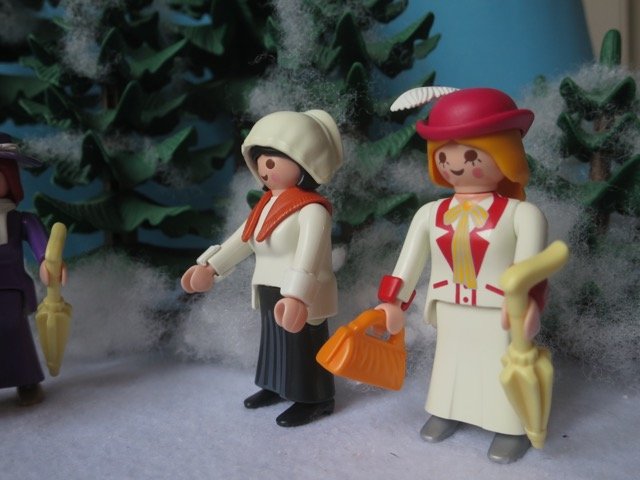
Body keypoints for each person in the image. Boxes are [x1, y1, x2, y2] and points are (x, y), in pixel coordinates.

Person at [376, 88, 548, 463]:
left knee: (500, 365)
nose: (455, 166)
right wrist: (392, 302)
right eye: (444, 156)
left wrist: (531, 303)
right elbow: (408, 263)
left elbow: (530, 268)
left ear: (506, 154)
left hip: (500, 309)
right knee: (449, 362)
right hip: (449, 304)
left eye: (471, 156)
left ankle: (510, 426)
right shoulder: (429, 213)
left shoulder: (522, 215)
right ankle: (447, 410)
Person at [181, 110, 343, 427]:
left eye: (274, 161)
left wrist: (298, 295)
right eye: (261, 161)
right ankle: (275, 385)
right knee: (273, 341)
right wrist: (210, 267)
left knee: (303, 345)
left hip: (301, 293)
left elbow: (309, 256)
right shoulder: (266, 204)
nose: (264, 168)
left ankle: (315, 398)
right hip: (269, 286)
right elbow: (244, 240)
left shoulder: (312, 211)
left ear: (304, 163)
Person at [0, 133, 64, 406]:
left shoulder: (21, 220)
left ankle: (27, 380)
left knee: (15, 333)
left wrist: (48, 263)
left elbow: (43, 247)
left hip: (11, 288)